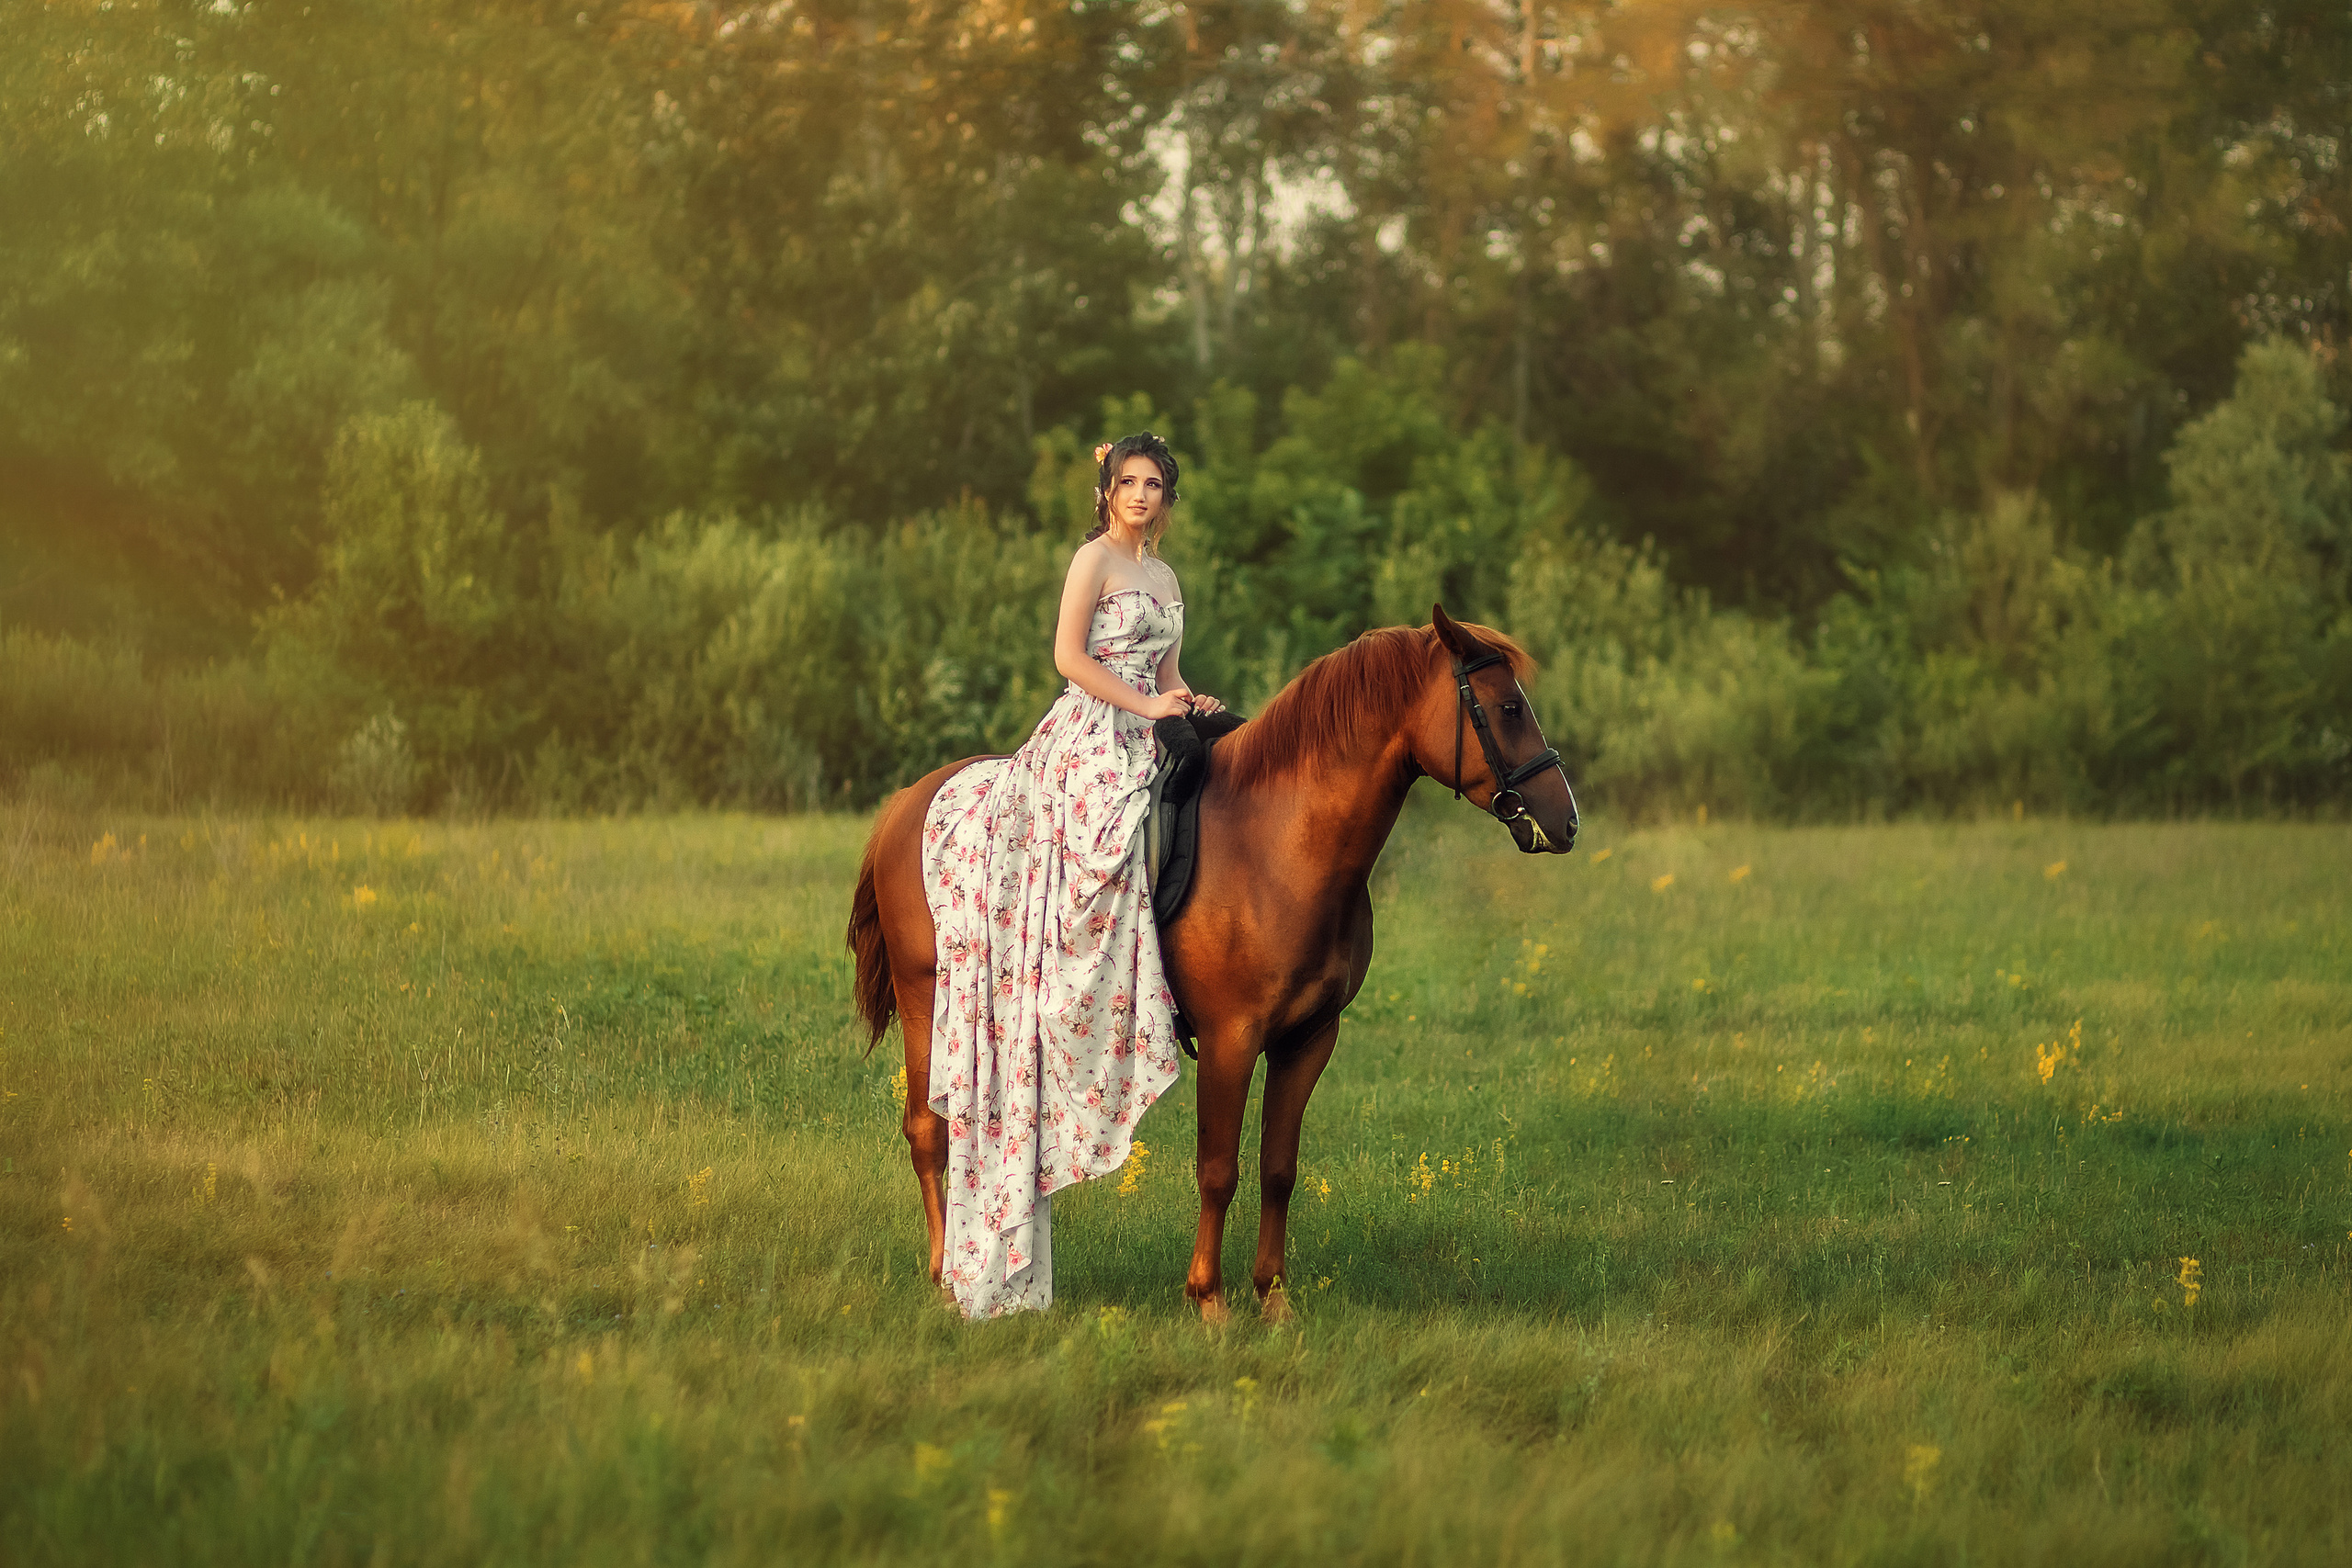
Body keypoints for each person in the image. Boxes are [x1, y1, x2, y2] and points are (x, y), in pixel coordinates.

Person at [919, 432, 1225, 1319]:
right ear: (1107, 491)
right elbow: (1071, 660)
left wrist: (1189, 699)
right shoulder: (1091, 561)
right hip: (1091, 734)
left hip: (1148, 721)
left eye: (1155, 482)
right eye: (1127, 481)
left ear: (1168, 497)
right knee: (1118, 839)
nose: (1140, 493)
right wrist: (1145, 708)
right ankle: (1082, 989)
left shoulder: (1166, 581)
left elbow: (1166, 669)